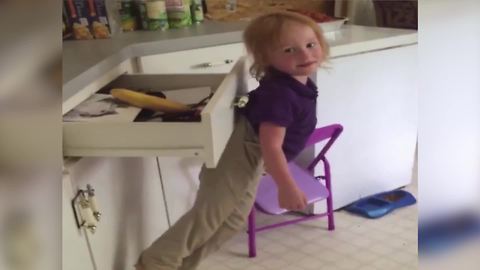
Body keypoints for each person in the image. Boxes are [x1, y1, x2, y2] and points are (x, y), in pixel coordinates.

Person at [135, 10, 330, 270]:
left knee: (232, 219)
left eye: (310, 45)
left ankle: (181, 265)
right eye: (289, 50)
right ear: (266, 58)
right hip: (241, 153)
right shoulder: (281, 95)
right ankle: (158, 261)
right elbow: (271, 146)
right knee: (208, 217)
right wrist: (286, 186)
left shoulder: (298, 82)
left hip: (252, 158)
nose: (305, 55)